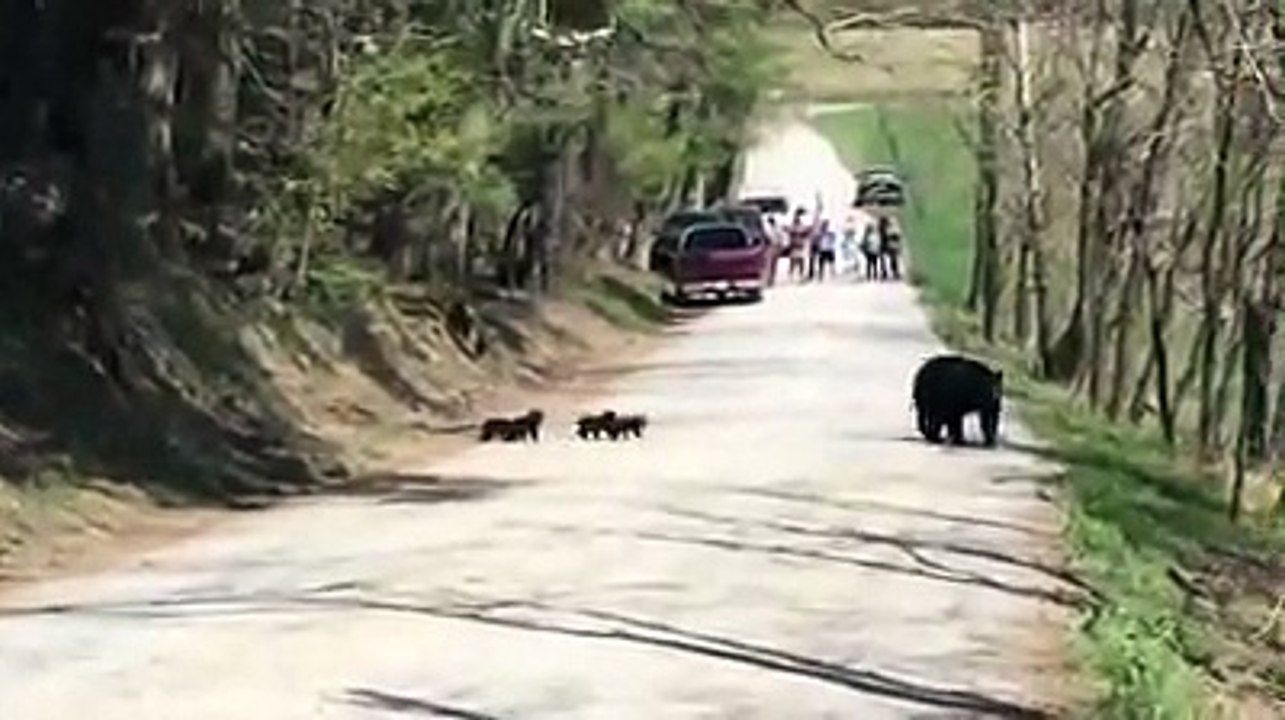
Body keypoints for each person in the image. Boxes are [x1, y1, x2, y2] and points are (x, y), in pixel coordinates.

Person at [879, 214, 903, 280]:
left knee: (885, 260)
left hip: (883, 245)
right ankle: (894, 273)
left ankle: (885, 273)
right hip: (889, 245)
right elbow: (895, 236)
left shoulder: (881, 228)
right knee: (893, 259)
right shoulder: (887, 228)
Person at [860, 216, 882, 281]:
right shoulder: (872, 235)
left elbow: (863, 244)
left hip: (871, 251)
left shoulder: (867, 235)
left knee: (870, 264)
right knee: (873, 264)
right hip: (872, 251)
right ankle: (873, 276)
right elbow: (878, 242)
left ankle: (870, 276)